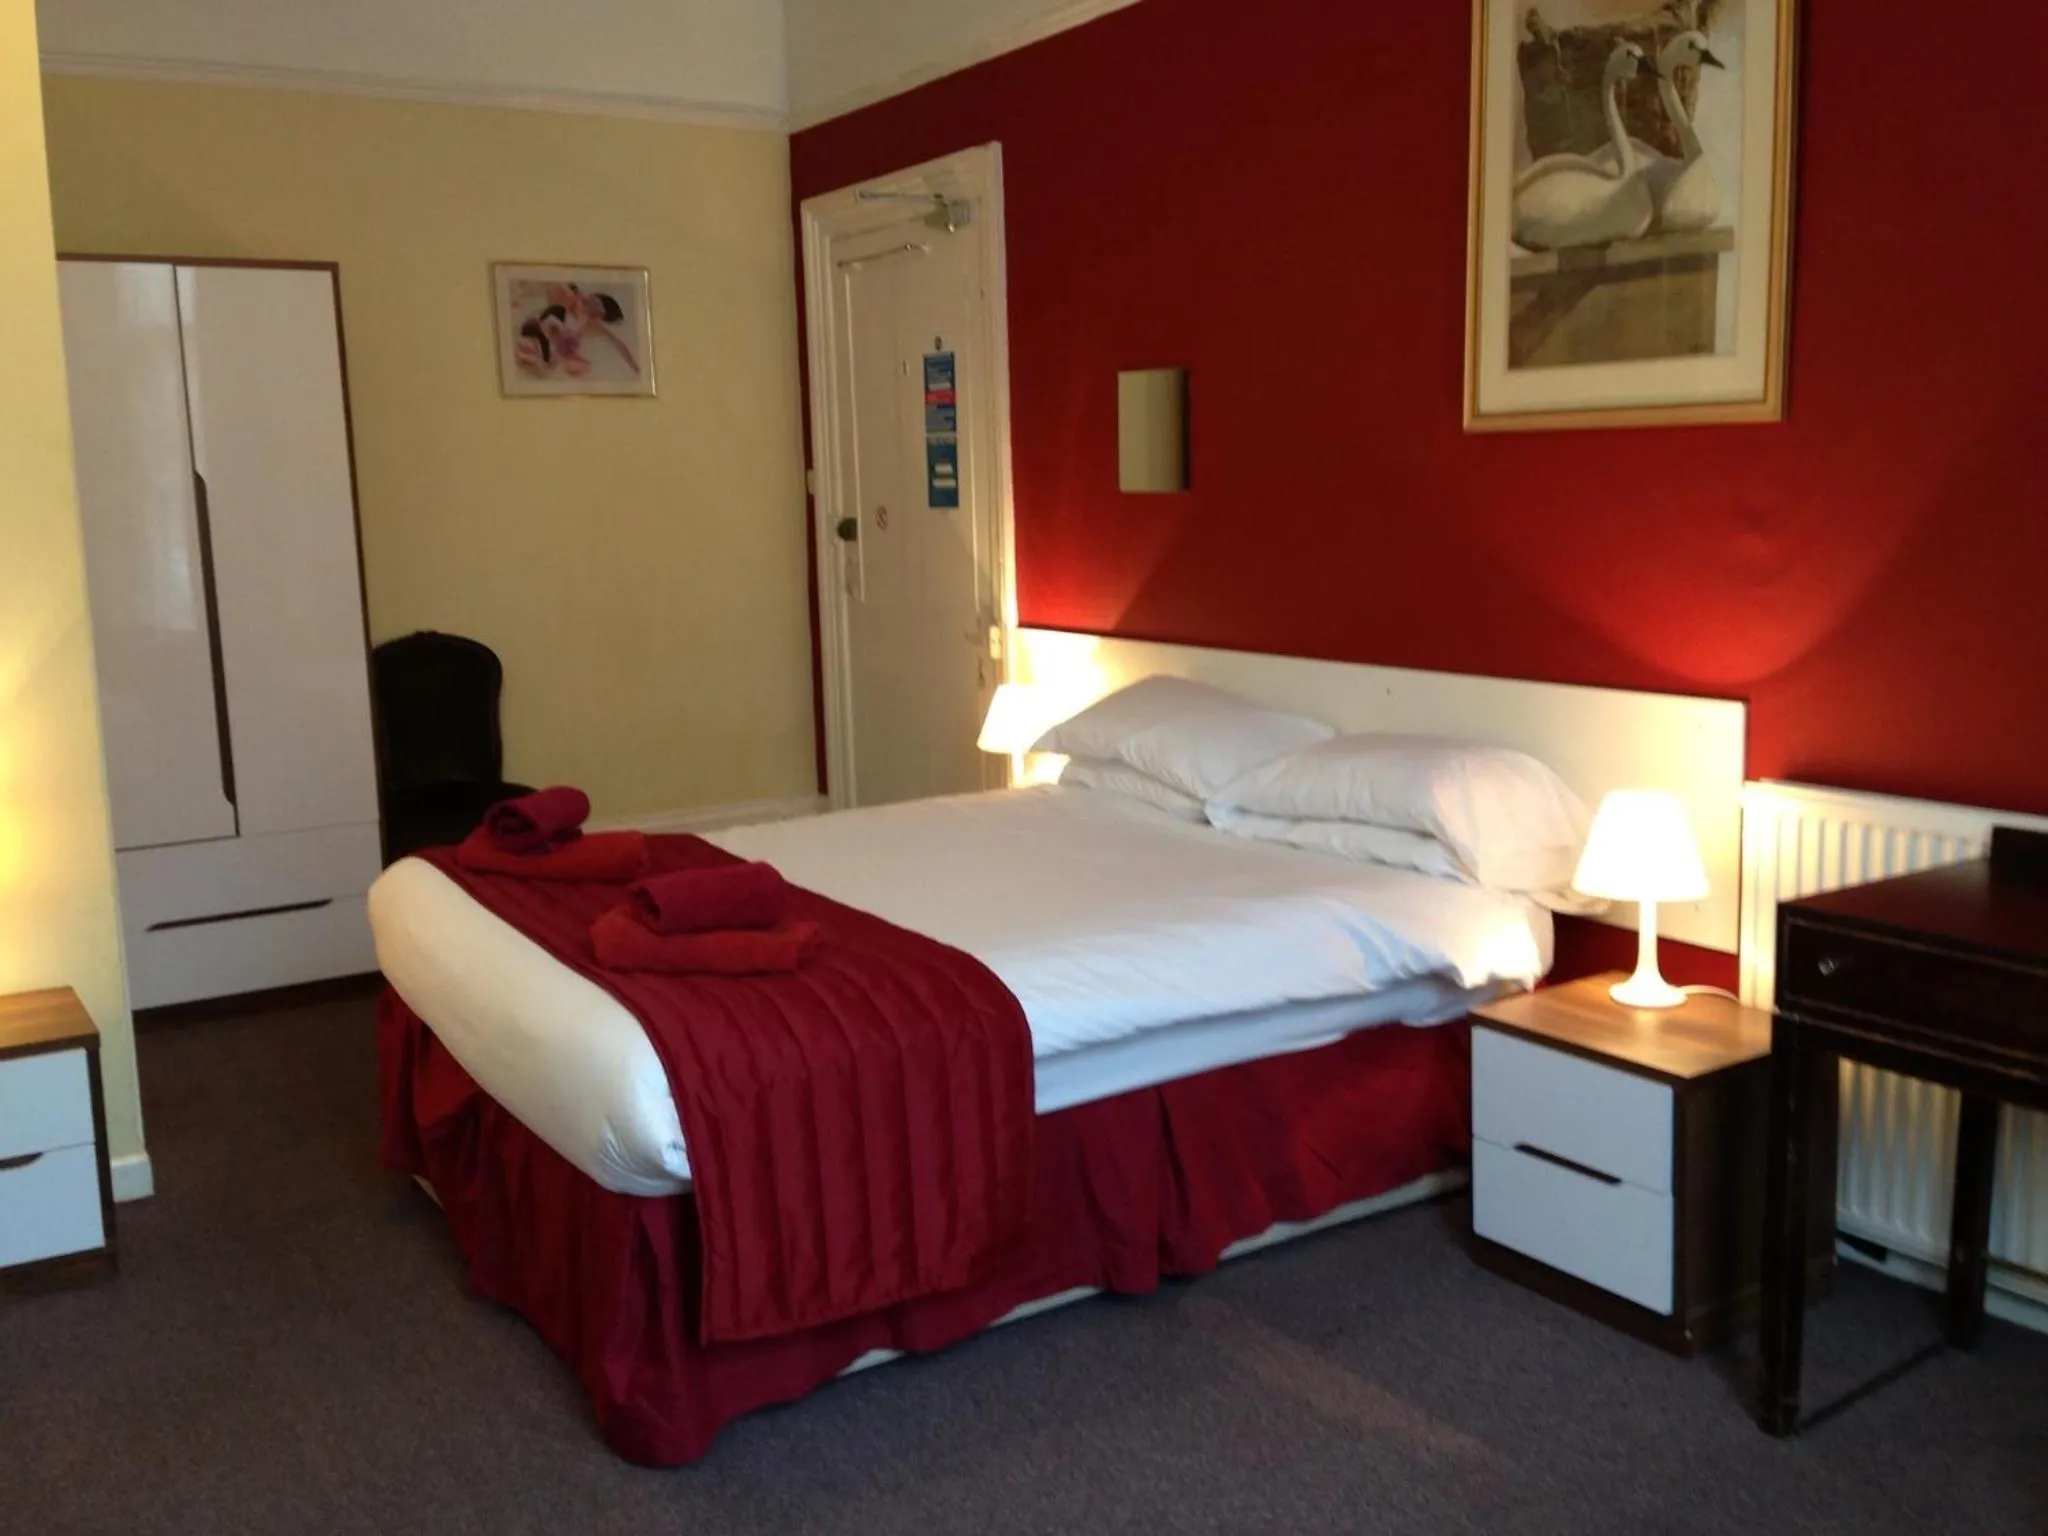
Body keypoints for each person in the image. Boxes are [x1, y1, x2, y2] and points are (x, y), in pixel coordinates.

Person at [514, 283, 639, 379]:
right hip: (543, 330)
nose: (589, 304)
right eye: (594, 302)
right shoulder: (572, 299)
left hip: (555, 348)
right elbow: (552, 291)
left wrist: (634, 365)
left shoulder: (592, 325)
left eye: (598, 310)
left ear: (600, 315)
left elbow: (618, 344)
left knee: (574, 366)